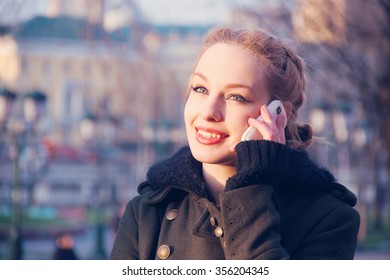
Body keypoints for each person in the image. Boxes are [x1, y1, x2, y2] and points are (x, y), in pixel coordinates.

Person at [110, 27, 360, 260]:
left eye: (236, 97)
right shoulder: (146, 213)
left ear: (276, 114)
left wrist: (250, 189)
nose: (209, 112)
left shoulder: (329, 217)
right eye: (200, 89)